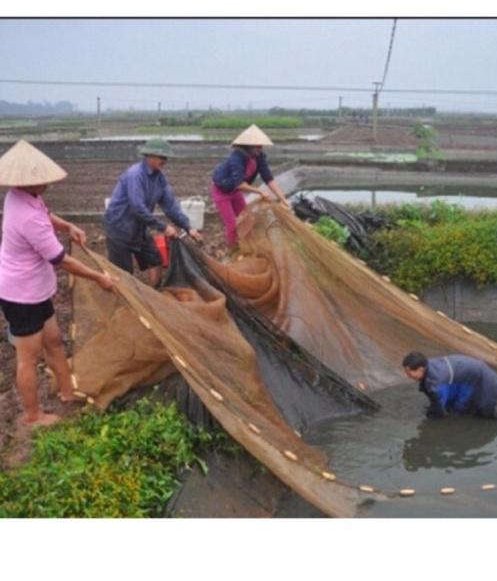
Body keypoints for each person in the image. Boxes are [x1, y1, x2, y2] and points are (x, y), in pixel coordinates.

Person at [0, 140, 117, 427]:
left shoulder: (23, 196)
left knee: (53, 341)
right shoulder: (26, 216)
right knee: (28, 356)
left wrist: (68, 226)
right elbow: (60, 259)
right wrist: (99, 277)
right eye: (43, 181)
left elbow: (47, 215)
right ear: (32, 181)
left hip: (36, 290)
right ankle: (32, 416)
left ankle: (66, 392)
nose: (48, 185)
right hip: (20, 295)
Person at [104, 138, 202, 287]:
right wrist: (163, 227)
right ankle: (125, 305)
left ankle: (154, 294)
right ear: (149, 156)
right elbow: (137, 207)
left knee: (155, 261)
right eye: (161, 157)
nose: (165, 160)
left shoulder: (160, 179)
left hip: (140, 228)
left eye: (166, 157)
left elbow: (171, 207)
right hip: (119, 227)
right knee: (123, 273)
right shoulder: (135, 175)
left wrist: (189, 227)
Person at [211, 124, 290, 248]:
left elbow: (269, 179)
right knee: (232, 225)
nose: (260, 148)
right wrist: (260, 192)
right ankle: (233, 250)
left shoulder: (259, 158)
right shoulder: (236, 158)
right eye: (257, 146)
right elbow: (240, 184)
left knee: (247, 220)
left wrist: (283, 199)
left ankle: (245, 245)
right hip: (222, 192)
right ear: (249, 146)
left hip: (236, 192)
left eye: (261, 146)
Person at [402, 351, 497, 420]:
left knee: (483, 417)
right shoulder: (429, 365)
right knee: (458, 409)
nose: (408, 376)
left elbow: (439, 407)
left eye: (409, 373)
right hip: (472, 377)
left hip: (487, 383)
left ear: (420, 369)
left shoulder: (437, 380)